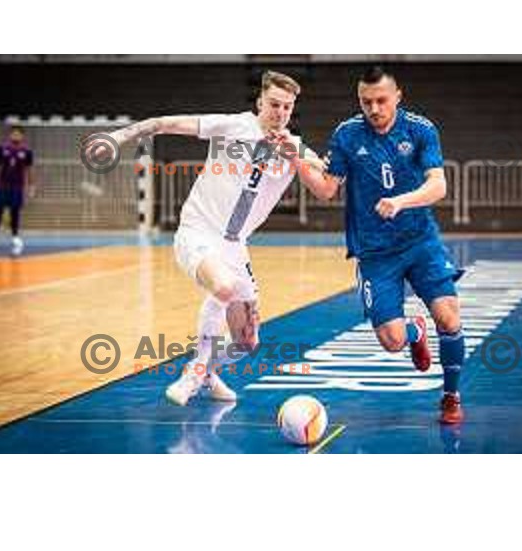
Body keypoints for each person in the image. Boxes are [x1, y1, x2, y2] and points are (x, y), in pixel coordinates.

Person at [84, 70, 324, 406]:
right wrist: (121, 135)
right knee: (223, 288)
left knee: (246, 343)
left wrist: (304, 159)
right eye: (274, 105)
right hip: (198, 231)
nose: (280, 113)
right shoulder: (232, 127)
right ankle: (195, 372)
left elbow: (326, 180)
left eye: (287, 107)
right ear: (259, 103)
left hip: (235, 247)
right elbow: (163, 123)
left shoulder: (293, 148)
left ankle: (209, 371)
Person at [276, 67, 465, 424]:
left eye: (381, 100)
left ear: (398, 96)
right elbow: (328, 188)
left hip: (420, 241)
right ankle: (414, 331)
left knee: (449, 316)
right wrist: (297, 156)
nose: (374, 108)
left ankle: (451, 396)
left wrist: (401, 201)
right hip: (375, 252)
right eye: (366, 102)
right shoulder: (347, 135)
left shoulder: (421, 130)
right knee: (393, 341)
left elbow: (438, 185)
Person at [0, 125, 35, 256]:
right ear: (10, 135)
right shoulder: (2, 148)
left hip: (17, 187)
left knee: (15, 212)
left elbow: (29, 170)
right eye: (14, 134)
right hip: (2, 186)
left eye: (18, 134)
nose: (16, 136)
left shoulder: (27, 151)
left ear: (22, 136)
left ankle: (15, 238)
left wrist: (31, 186)